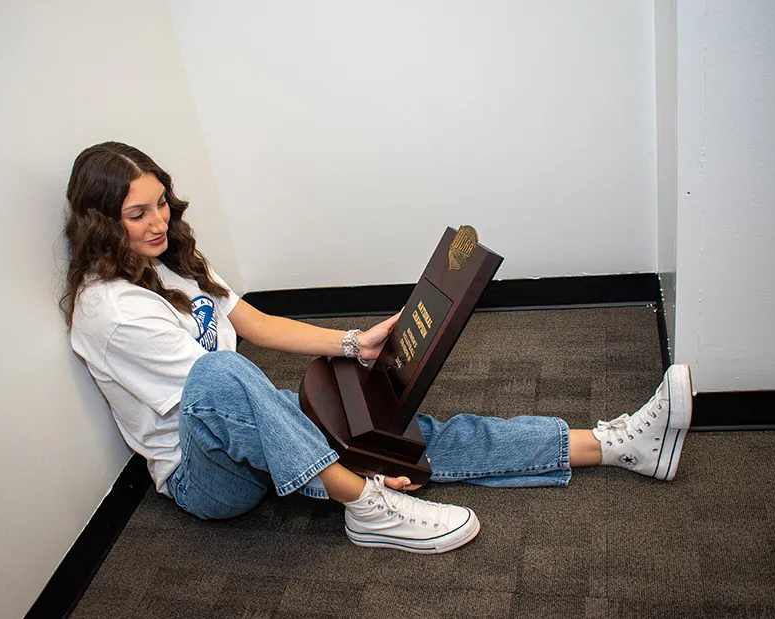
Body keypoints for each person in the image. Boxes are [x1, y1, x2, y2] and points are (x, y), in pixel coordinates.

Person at [62, 141, 693, 555]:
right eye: (136, 213)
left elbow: (251, 322)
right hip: (205, 476)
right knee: (221, 376)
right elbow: (220, 397)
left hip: (252, 422)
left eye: (161, 203)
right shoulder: (111, 312)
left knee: (404, 432)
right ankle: (366, 507)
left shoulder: (167, 262)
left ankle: (613, 445)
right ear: (101, 222)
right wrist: (346, 470)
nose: (158, 221)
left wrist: (351, 343)